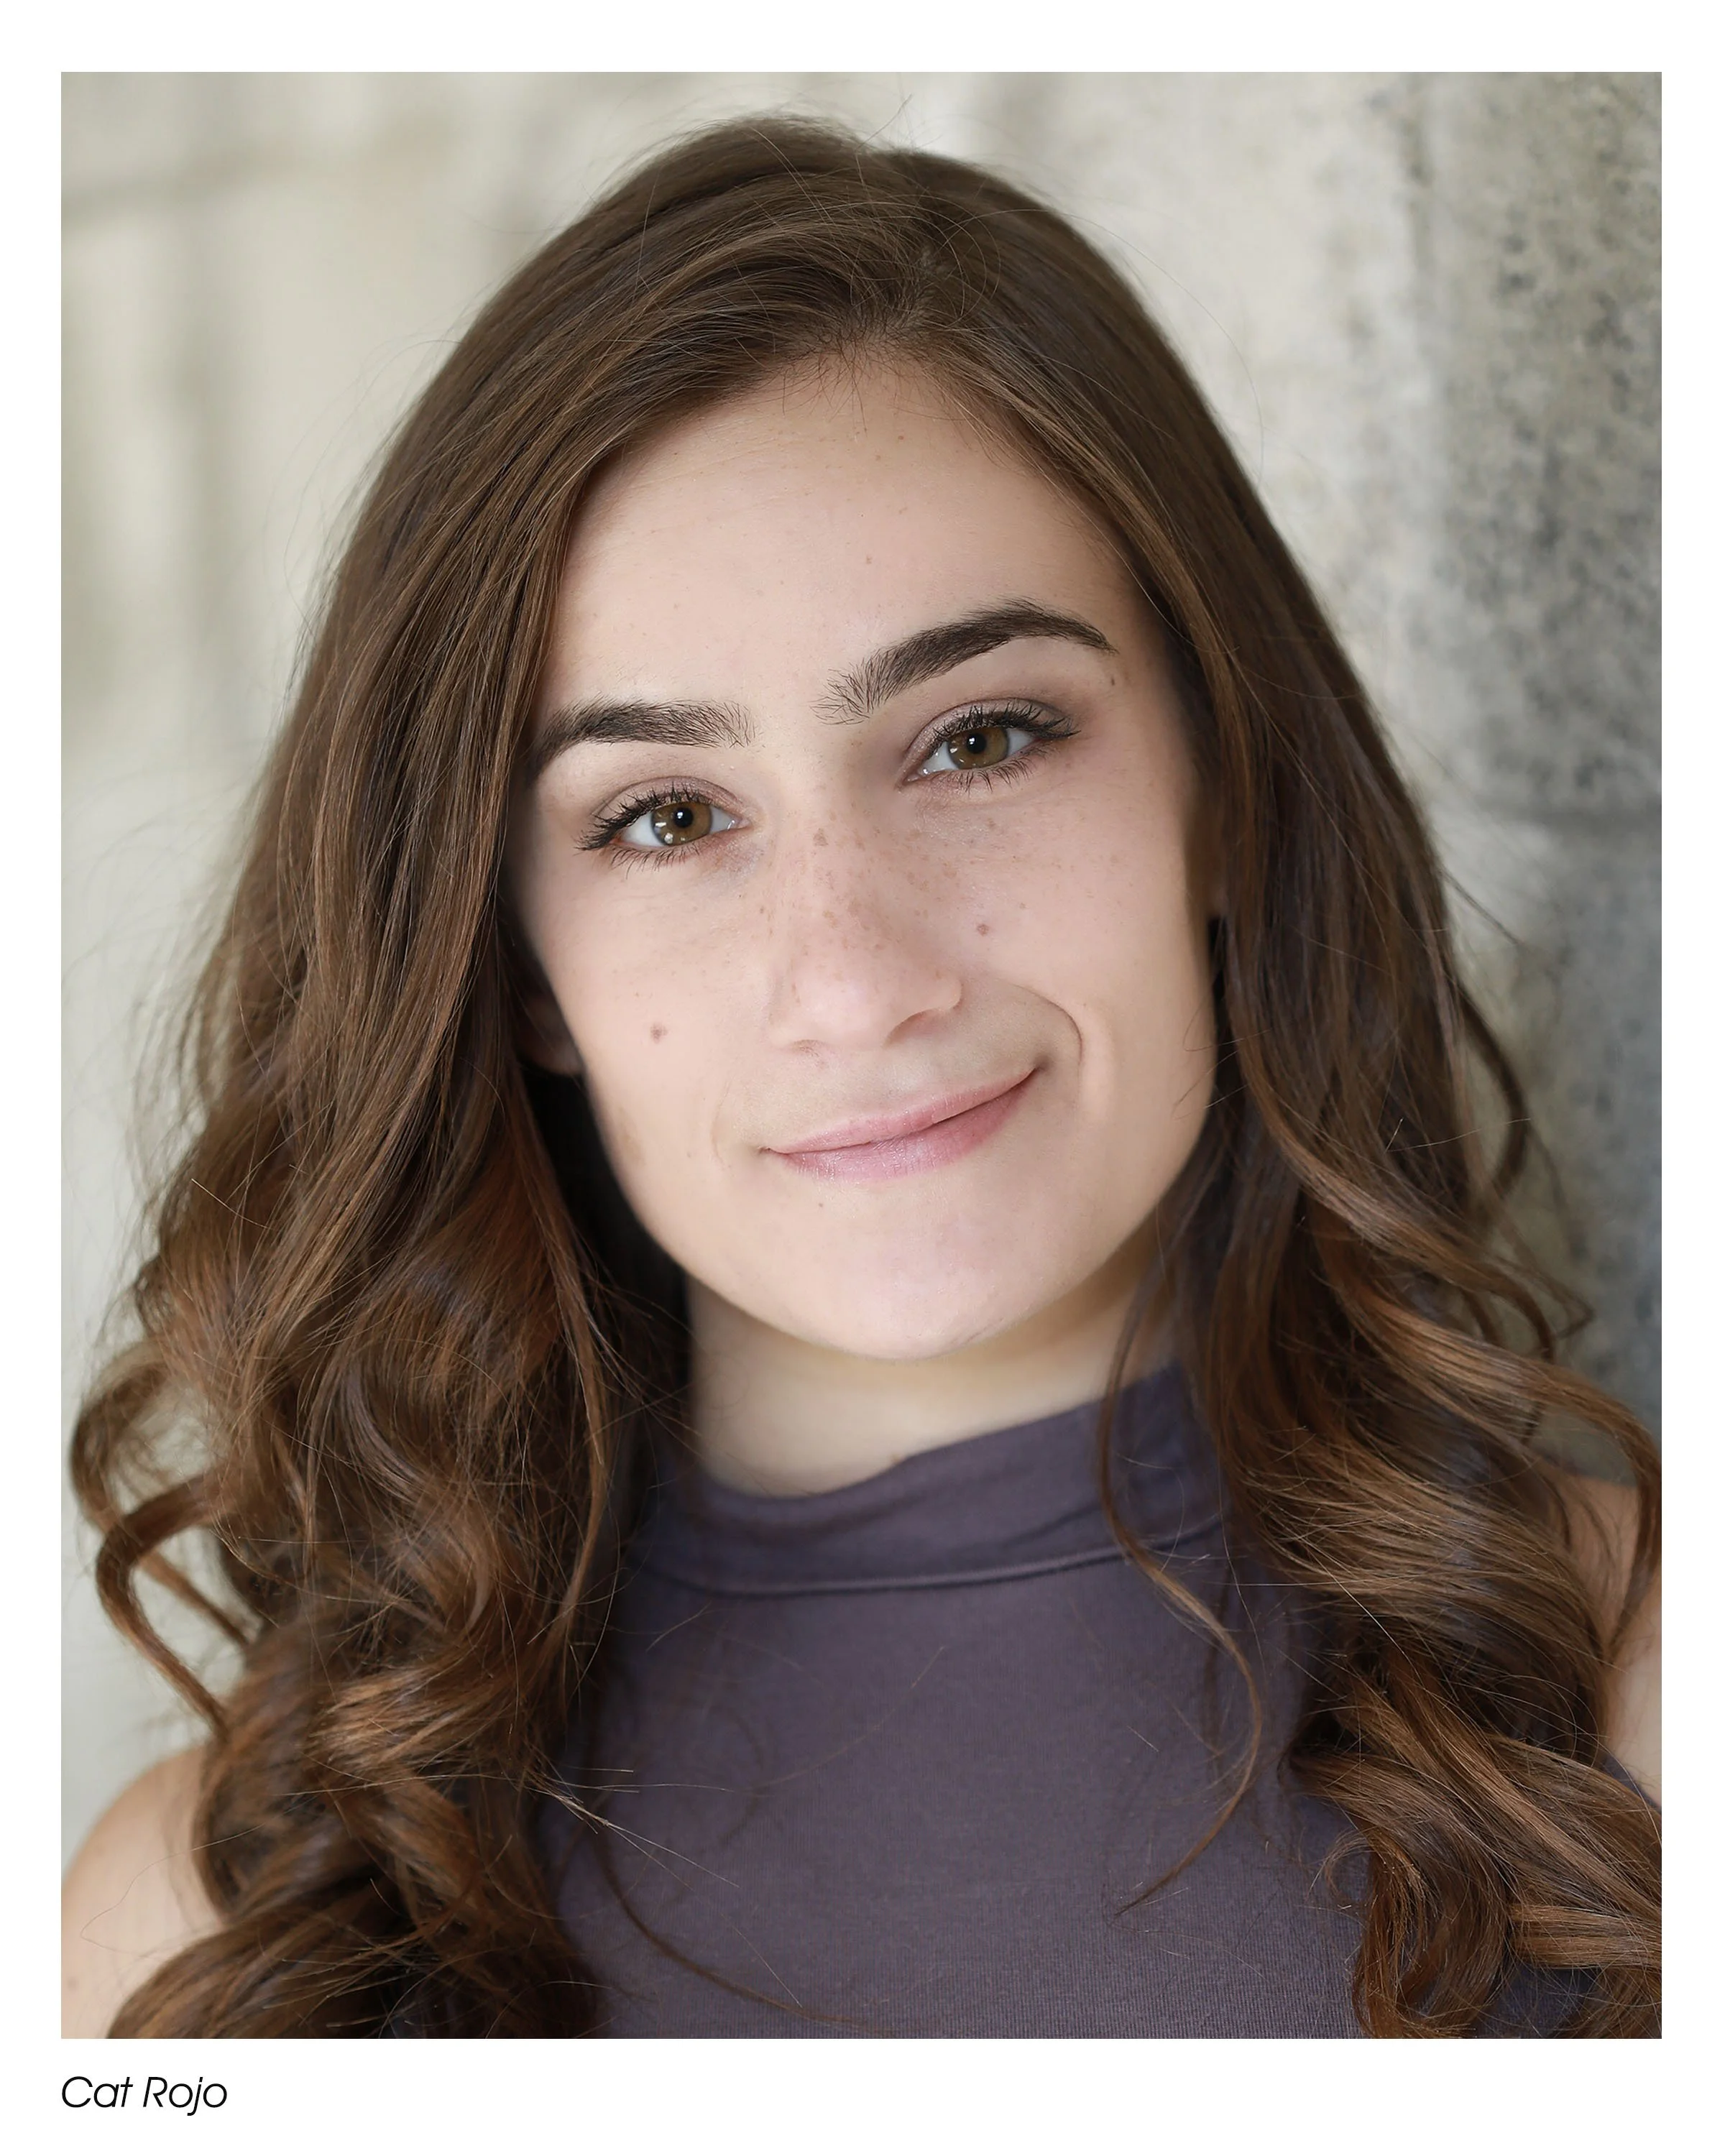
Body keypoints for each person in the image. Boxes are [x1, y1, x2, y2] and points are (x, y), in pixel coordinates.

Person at [62, 117, 1660, 2040]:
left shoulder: (1639, 1687)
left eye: (980, 738)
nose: (853, 979)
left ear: (1227, 789)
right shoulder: (211, 1930)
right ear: (513, 964)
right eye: (663, 817)